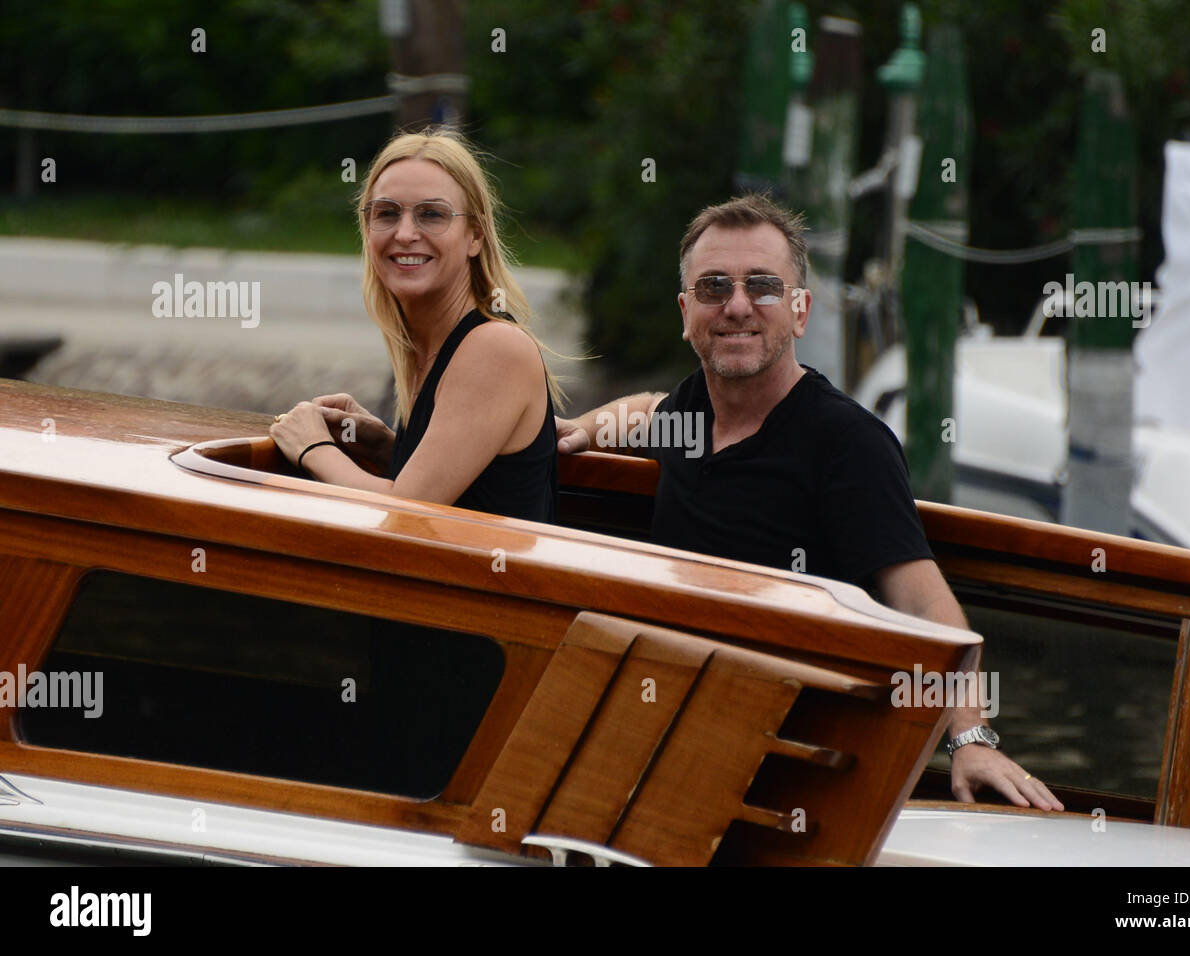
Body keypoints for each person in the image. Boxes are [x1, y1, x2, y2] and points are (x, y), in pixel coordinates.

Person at [556, 193, 1064, 811]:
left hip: (791, 760)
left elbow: (924, 602)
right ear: (686, 312)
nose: (737, 305)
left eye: (763, 286)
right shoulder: (688, 414)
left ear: (800, 312)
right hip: (670, 734)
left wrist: (971, 737)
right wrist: (589, 425)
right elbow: (645, 410)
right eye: (714, 287)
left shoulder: (845, 442)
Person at [269, 129, 559, 522]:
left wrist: (313, 448)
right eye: (387, 213)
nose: (405, 234)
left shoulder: (495, 347)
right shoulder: (430, 343)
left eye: (432, 214)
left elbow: (406, 511)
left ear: (475, 235)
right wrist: (385, 445)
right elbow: (471, 487)